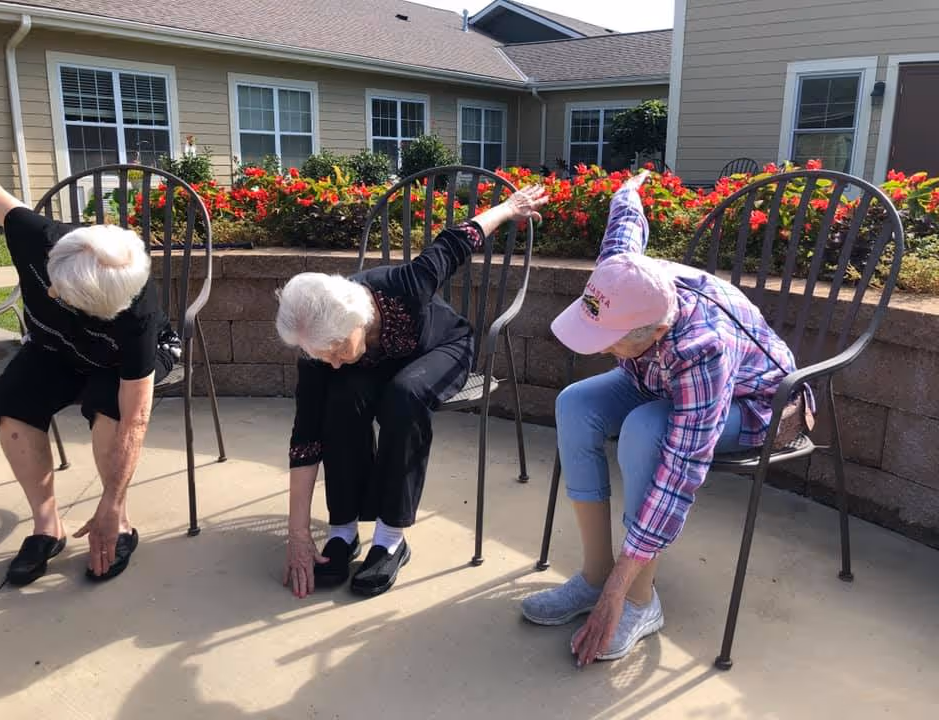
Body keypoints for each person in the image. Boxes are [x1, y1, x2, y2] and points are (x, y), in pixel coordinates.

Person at [521, 171, 813, 666]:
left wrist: (622, 586)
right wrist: (628, 189)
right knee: (575, 404)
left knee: (646, 431)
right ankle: (593, 575)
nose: (600, 346)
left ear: (653, 330)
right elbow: (625, 229)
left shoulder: (705, 348)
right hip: (658, 376)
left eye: (611, 338)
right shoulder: (624, 275)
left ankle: (639, 600)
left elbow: (680, 472)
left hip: (756, 404)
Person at [275, 184, 548, 599]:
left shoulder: (406, 284)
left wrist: (510, 208)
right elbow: (306, 435)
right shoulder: (320, 345)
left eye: (335, 350)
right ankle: (343, 530)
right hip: (381, 363)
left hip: (444, 349)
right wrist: (297, 534)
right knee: (339, 398)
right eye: (320, 355)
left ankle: (390, 538)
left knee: (403, 397)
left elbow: (458, 239)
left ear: (355, 322)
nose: (328, 361)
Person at [0, 166, 179, 586]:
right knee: (11, 401)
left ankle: (119, 523)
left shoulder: (136, 316)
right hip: (53, 349)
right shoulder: (33, 235)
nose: (52, 296)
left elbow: (135, 417)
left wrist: (110, 500)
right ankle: (47, 528)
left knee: (109, 408)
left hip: (114, 361)